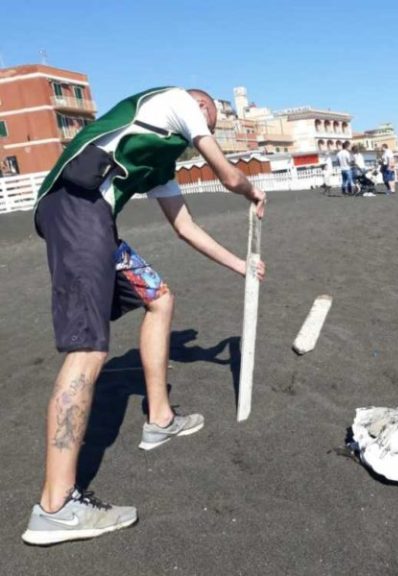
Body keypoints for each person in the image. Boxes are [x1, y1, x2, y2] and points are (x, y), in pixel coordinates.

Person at [23, 87, 267, 546]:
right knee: (88, 351)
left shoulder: (158, 159)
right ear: (200, 104)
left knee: (159, 297)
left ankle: (159, 420)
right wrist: (254, 192)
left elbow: (185, 226)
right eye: (209, 119)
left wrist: (242, 266)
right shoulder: (175, 101)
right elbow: (230, 177)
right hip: (75, 209)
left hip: (97, 221)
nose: (208, 127)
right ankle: (55, 507)